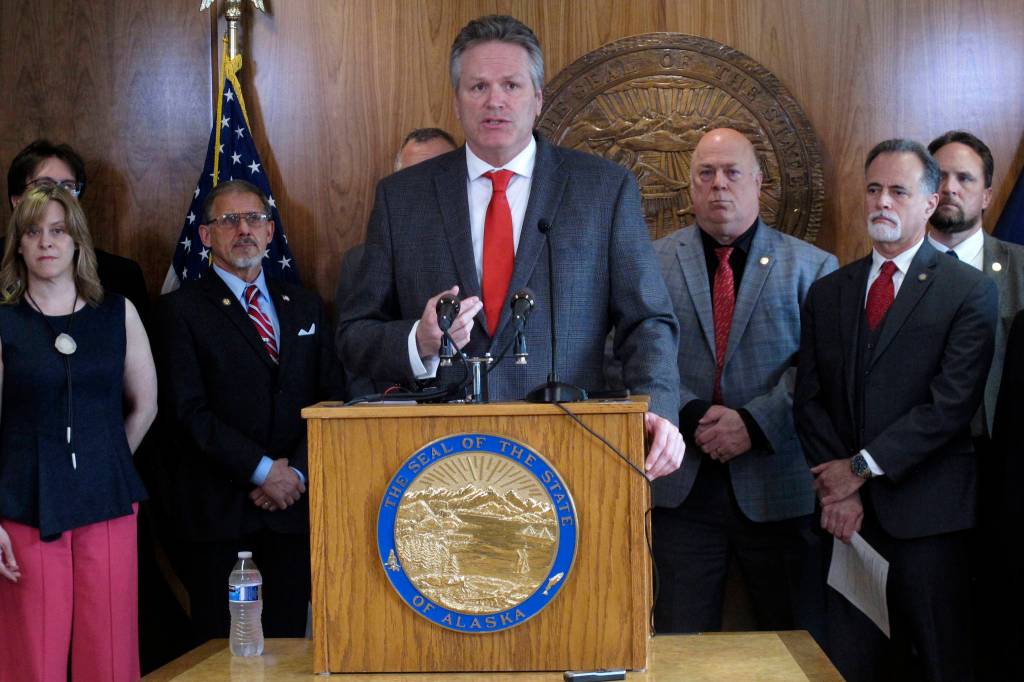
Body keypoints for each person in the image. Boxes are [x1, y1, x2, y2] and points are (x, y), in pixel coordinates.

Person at [336, 15, 684, 488]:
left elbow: (648, 321)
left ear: (537, 99)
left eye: (511, 85)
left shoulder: (603, 189)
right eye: (477, 86)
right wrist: (419, 341)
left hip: (573, 452)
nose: (495, 100)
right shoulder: (402, 198)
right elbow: (355, 334)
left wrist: (658, 407)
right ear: (457, 102)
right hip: (439, 461)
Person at [794, 139, 996, 681]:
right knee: (848, 668)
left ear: (930, 204)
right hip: (846, 525)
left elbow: (948, 408)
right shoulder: (829, 292)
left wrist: (856, 472)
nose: (883, 201)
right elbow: (809, 401)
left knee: (939, 665)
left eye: (899, 191)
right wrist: (838, 488)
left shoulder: (969, 291)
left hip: (928, 523)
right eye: (874, 189)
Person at [651, 128, 837, 636]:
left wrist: (754, 423)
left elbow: (820, 370)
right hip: (681, 491)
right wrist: (688, 416)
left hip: (779, 487)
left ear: (759, 183)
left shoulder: (814, 267)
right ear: (690, 187)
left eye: (732, 172)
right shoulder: (651, 262)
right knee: (677, 646)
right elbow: (625, 354)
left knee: (795, 644)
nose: (719, 186)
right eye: (705, 174)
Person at [153, 179, 343, 642]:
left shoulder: (305, 305)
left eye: (254, 218)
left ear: (270, 230)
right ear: (205, 236)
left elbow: (331, 398)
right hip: (219, 516)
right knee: (223, 655)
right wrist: (262, 472)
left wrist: (294, 474)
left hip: (292, 514)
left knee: (288, 649)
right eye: (228, 220)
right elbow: (187, 412)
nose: (244, 229)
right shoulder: (178, 311)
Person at [0, 185, 157, 681]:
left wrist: (103, 460)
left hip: (107, 498)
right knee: (34, 655)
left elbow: (145, 405)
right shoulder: (4, 320)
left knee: (109, 652)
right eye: (33, 231)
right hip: (25, 505)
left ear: (77, 241)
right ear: (19, 245)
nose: (46, 242)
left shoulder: (117, 312)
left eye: (58, 231)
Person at [926, 129, 1024, 678]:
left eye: (965, 178)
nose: (950, 188)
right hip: (919, 472)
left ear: (988, 195)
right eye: (938, 177)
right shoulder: (889, 271)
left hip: (1002, 472)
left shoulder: (1021, 268)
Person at [336, 127, 457, 398]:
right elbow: (355, 355)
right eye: (413, 176)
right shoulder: (359, 262)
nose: (427, 186)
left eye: (438, 172)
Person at [7, 139, 150, 319]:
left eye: (67, 187)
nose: (57, 195)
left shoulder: (122, 275)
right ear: (17, 201)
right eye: (44, 185)